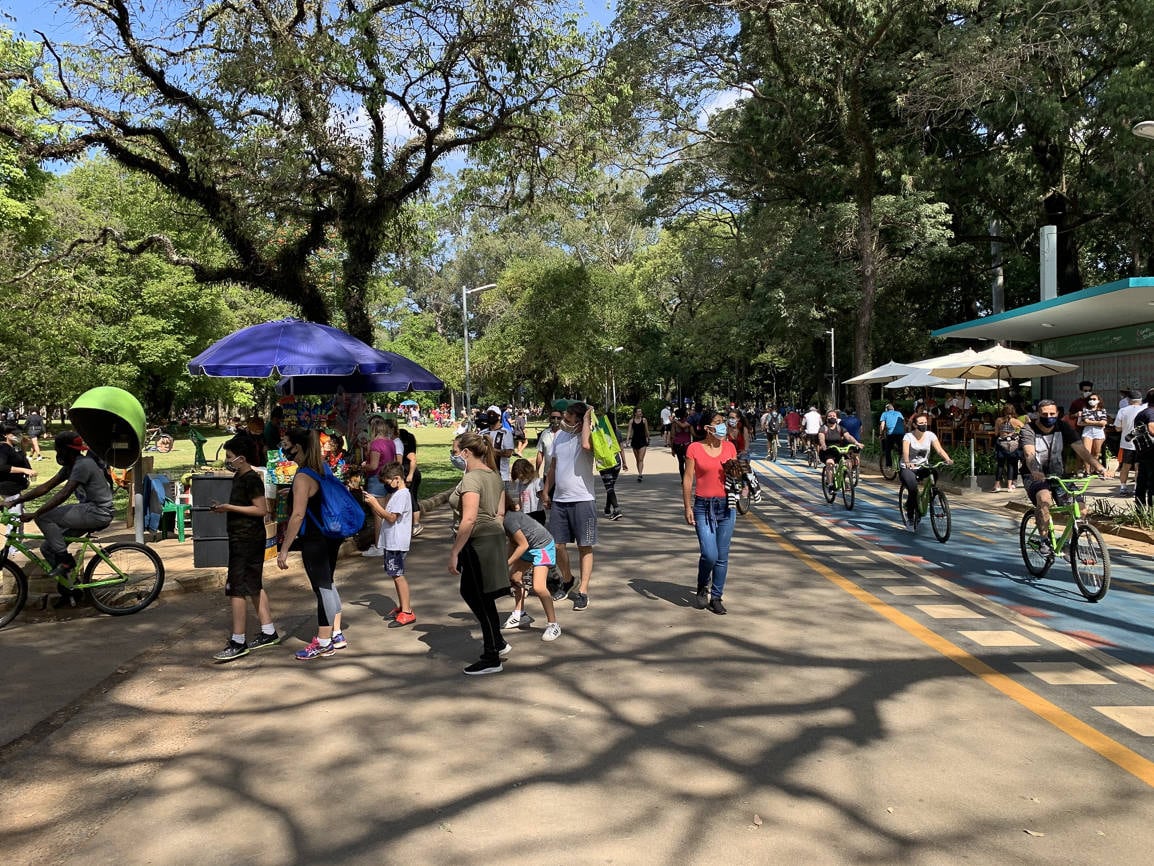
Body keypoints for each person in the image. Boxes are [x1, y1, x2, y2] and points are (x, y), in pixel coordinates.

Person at [8, 432, 114, 605]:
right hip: (89, 510)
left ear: (66, 450)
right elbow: (46, 487)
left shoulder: (83, 464)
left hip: (97, 511)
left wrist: (36, 513)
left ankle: (65, 561)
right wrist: (17, 501)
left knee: (44, 517)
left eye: (58, 449)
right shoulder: (72, 464)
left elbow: (64, 494)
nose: (57, 453)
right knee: (48, 548)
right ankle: (70, 589)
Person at [210, 432, 279, 662]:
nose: (228, 461)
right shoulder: (239, 476)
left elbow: (261, 509)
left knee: (237, 589)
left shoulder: (250, 478)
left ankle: (238, 640)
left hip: (247, 540)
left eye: (230, 457)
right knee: (253, 584)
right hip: (242, 537)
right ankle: (268, 630)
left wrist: (230, 508)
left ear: (241, 457)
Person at [278, 428, 346, 660]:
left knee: (322, 588)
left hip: (315, 539)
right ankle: (335, 633)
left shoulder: (302, 476)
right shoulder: (320, 468)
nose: (283, 447)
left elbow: (297, 516)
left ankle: (324, 641)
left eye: (285, 443)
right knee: (328, 583)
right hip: (331, 535)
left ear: (297, 447)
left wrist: (284, 549)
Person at [448, 433, 510, 675]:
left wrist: (455, 551)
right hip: (489, 538)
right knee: (477, 594)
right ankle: (498, 642)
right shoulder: (492, 474)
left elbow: (470, 517)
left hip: (477, 542)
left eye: (455, 451)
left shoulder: (474, 478)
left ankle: (491, 655)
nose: (453, 455)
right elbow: (500, 512)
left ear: (465, 452)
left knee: (480, 597)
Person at [1020, 399, 1111, 546]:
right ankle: (1044, 540)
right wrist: (1036, 471)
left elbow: (1081, 449)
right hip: (1034, 475)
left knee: (1081, 509)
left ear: (1057, 414)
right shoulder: (1028, 429)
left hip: (1059, 475)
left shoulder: (1063, 427)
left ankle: (1067, 542)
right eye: (1044, 414)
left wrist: (1100, 468)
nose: (1048, 417)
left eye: (1052, 413)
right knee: (1044, 500)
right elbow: (1029, 454)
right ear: (1038, 414)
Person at [541, 400, 596, 612]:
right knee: (556, 545)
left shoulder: (590, 435)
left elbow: (585, 446)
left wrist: (587, 422)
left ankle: (582, 590)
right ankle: (568, 579)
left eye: (567, 418)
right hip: (560, 500)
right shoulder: (560, 436)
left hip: (583, 499)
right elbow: (553, 465)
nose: (562, 421)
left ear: (578, 420)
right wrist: (546, 490)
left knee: (585, 545)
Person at [683, 411, 737, 615]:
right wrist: (687, 506)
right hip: (703, 506)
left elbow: (735, 476)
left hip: (726, 505)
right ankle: (702, 584)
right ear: (707, 428)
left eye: (723, 422)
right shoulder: (694, 448)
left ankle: (716, 597)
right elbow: (688, 479)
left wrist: (742, 476)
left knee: (722, 555)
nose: (722, 426)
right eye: (717, 423)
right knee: (709, 554)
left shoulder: (730, 447)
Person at [502, 493, 562, 641]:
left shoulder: (508, 519)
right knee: (514, 577)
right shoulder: (503, 519)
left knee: (539, 587)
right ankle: (520, 614)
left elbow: (522, 545)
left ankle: (553, 625)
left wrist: (506, 563)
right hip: (529, 547)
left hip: (542, 547)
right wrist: (506, 562)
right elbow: (513, 542)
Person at [364, 463, 415, 625]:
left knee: (398, 575)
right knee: (395, 574)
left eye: (388, 482)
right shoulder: (398, 494)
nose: (387, 485)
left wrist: (374, 504)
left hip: (397, 543)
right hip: (392, 542)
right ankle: (403, 607)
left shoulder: (402, 495)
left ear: (397, 479)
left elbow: (391, 517)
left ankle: (407, 611)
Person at [899, 412, 953, 527]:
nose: (924, 425)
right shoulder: (908, 437)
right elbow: (905, 452)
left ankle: (932, 496)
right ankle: (910, 515)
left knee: (934, 472)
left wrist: (947, 459)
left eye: (925, 423)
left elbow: (939, 450)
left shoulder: (930, 435)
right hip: (908, 468)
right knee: (913, 489)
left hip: (923, 466)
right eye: (921, 423)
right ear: (914, 425)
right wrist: (908, 462)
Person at [360, 415, 399, 557]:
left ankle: (379, 546)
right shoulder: (391, 443)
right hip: (389, 479)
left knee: (378, 514)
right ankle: (387, 543)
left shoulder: (375, 444)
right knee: (388, 513)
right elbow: (393, 461)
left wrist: (364, 466)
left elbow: (374, 465)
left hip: (376, 479)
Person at [598, 413, 629, 520]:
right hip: (617, 462)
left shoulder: (599, 432)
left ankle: (616, 509)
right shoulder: (617, 431)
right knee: (610, 487)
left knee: (609, 487)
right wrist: (624, 462)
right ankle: (607, 508)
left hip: (605, 462)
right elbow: (621, 448)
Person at [1114, 390, 1145, 496]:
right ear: (1140, 400)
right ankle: (1137, 487)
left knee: (1125, 466)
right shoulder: (1145, 410)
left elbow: (1117, 428)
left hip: (1126, 444)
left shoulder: (1123, 410)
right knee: (1138, 467)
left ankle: (1123, 488)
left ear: (1128, 400)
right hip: (1142, 444)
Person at [0, 423, 36, 513]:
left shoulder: (15, 447)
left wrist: (24, 447)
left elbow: (21, 461)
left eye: (19, 433)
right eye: (14, 434)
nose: (18, 436)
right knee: (15, 518)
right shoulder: (3, 448)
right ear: (5, 435)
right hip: (8, 487)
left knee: (19, 516)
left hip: (16, 486)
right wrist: (24, 470)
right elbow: (2, 466)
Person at [395, 423, 423, 537]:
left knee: (411, 498)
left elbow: (413, 459)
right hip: (409, 474)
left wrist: (410, 475)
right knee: (410, 498)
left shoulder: (407, 449)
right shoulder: (407, 445)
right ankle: (412, 524)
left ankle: (416, 525)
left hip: (410, 474)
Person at [992, 403, 1024, 492]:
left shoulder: (999, 420)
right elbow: (1024, 429)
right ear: (1013, 411)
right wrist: (1015, 433)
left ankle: (997, 485)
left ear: (1003, 411)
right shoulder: (1016, 421)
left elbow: (996, 433)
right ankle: (1010, 486)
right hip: (1013, 445)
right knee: (1011, 465)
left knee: (1000, 465)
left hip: (1002, 444)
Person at [483, 405, 516, 493]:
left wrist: (490, 450)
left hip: (501, 476)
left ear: (499, 416)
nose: (491, 416)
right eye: (489, 414)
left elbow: (508, 453)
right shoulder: (483, 433)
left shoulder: (506, 433)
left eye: (493, 414)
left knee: (502, 504)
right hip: (485, 475)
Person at [1077, 392, 1109, 478]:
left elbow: (1104, 422)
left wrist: (1092, 422)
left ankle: (1094, 469)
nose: (1092, 401)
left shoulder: (1102, 410)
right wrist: (1098, 422)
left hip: (1099, 432)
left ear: (1098, 401)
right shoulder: (1085, 409)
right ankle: (1087, 471)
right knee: (1086, 452)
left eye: (1094, 399)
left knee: (1096, 452)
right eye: (1090, 399)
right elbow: (1086, 420)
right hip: (1087, 432)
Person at [879, 403, 905, 473]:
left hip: (891, 434)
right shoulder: (899, 413)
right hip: (901, 433)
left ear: (886, 409)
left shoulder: (885, 413)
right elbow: (903, 422)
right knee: (901, 449)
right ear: (893, 408)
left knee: (888, 449)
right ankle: (902, 460)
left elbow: (882, 425)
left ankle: (889, 465)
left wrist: (881, 434)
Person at [627, 407, 650, 482]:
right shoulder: (631, 421)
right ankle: (639, 472)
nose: (640, 413)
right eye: (639, 411)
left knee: (640, 459)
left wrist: (648, 438)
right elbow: (629, 431)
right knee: (637, 459)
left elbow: (646, 430)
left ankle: (640, 474)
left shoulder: (644, 420)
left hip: (643, 441)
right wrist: (627, 440)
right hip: (635, 441)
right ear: (635, 413)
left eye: (641, 411)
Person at [670, 407, 693, 477]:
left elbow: (672, 436)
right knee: (688, 462)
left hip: (677, 445)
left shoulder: (674, 424)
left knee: (680, 462)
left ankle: (683, 478)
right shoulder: (689, 423)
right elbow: (693, 433)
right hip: (687, 445)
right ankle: (687, 477)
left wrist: (672, 448)